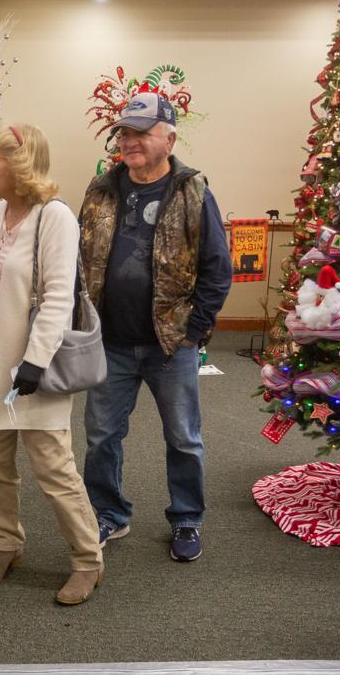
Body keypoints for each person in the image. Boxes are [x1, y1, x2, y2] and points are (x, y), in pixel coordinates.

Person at [0, 122, 103, 605]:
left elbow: (57, 297)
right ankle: (6, 544)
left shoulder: (54, 217)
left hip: (30, 370)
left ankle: (87, 560)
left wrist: (36, 361)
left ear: (18, 164)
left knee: (54, 468)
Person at [78, 92, 232, 563]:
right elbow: (80, 260)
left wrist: (194, 331)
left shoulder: (192, 191)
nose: (130, 141)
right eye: (124, 132)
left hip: (171, 345)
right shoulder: (101, 189)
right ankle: (108, 512)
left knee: (183, 437)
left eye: (141, 133)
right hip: (111, 343)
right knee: (102, 435)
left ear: (169, 137)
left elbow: (217, 269)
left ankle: (186, 518)